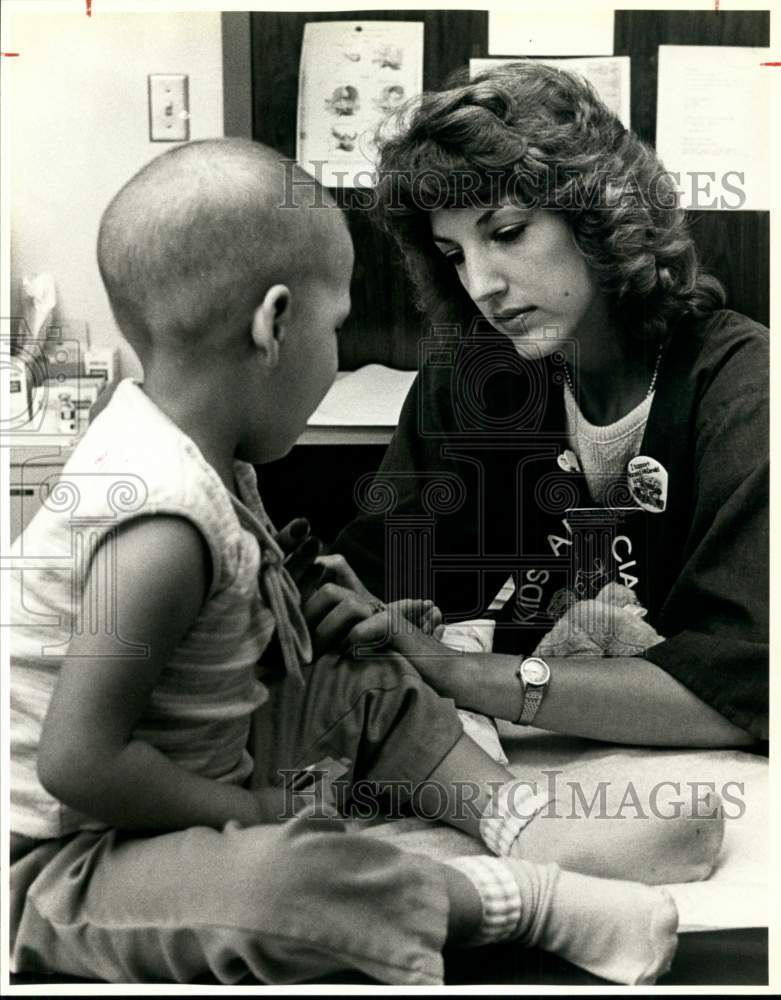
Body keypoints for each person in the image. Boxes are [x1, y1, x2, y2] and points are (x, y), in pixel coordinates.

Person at [9, 139, 718, 988]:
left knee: (370, 678)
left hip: (193, 764)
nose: (336, 358)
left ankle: (518, 814)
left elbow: (204, 653)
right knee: (287, 879)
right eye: (336, 328)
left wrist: (298, 624)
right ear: (275, 324)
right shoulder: (156, 525)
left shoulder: (197, 458)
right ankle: (514, 896)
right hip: (71, 856)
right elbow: (78, 766)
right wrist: (253, 815)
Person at [333, 62, 768, 749]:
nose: (481, 283)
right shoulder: (471, 379)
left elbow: (748, 689)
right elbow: (377, 577)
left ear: (599, 214)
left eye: (505, 232)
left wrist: (465, 673)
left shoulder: (743, 389)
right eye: (453, 254)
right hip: (529, 757)